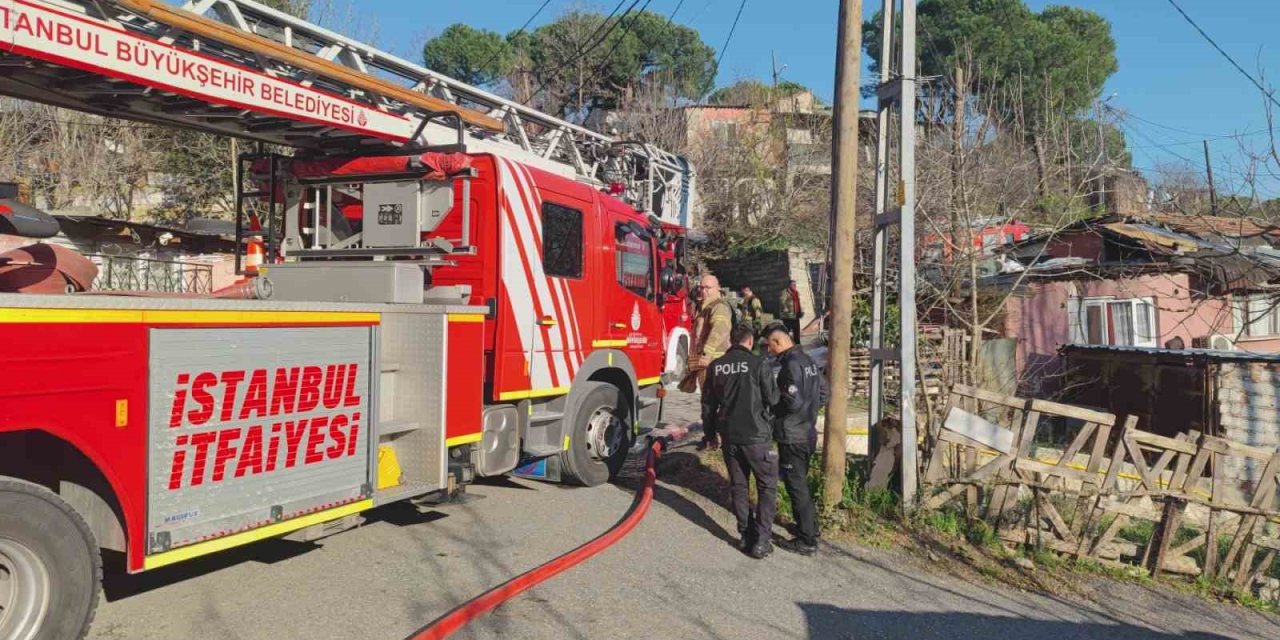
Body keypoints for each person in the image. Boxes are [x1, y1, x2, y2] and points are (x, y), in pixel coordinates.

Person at [701, 324, 781, 559]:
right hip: (757, 437)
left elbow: (707, 406)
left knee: (738, 485)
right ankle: (762, 540)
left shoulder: (716, 367)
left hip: (729, 437)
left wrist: (709, 434)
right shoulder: (759, 364)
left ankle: (746, 535)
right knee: (767, 486)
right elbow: (773, 398)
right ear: (749, 342)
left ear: (731, 341)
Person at [764, 322, 828, 556]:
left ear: (778, 342)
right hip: (808, 432)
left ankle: (807, 540)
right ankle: (809, 527)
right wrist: (810, 413)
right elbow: (824, 393)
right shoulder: (808, 360)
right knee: (800, 483)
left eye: (769, 347)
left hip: (793, 436)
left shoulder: (790, 365)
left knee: (796, 486)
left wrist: (774, 416)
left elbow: (791, 402)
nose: (769, 351)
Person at [680, 274, 733, 392]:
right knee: (706, 401)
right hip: (705, 363)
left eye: (708, 288)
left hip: (714, 363)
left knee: (712, 401)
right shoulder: (706, 306)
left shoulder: (719, 306)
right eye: (702, 288)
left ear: (717, 288)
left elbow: (719, 329)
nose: (704, 291)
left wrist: (707, 354)